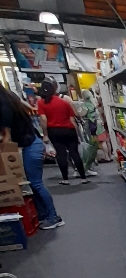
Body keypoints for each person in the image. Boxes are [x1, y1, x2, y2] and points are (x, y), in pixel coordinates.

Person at [0, 85, 63, 229]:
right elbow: (28, 107)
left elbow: (7, 138)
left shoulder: (4, 107)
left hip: (31, 146)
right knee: (33, 183)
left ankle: (54, 217)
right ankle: (43, 215)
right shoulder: (10, 97)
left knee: (36, 183)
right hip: (33, 143)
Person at [37, 79, 88, 184]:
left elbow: (43, 119)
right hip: (69, 130)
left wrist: (45, 134)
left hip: (54, 131)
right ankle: (83, 178)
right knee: (75, 153)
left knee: (61, 154)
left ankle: (65, 179)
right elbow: (72, 119)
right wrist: (77, 134)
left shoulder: (41, 103)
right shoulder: (63, 102)